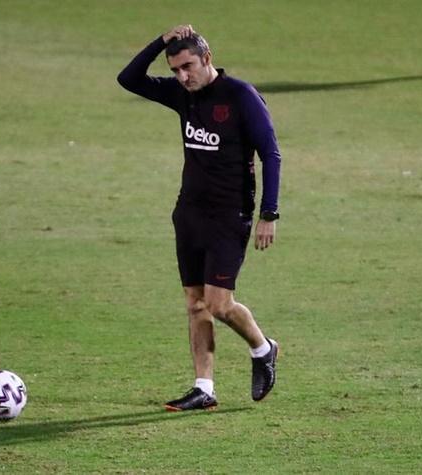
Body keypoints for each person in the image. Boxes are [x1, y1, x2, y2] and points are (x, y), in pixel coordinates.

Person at [117, 25, 282, 411]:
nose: (182, 76)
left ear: (207, 58)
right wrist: (161, 41)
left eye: (188, 66)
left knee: (220, 304)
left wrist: (268, 213)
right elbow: (128, 79)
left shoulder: (240, 95)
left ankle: (263, 348)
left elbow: (271, 154)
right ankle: (204, 388)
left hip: (230, 214)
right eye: (175, 69)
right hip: (189, 213)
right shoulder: (181, 94)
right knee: (195, 304)